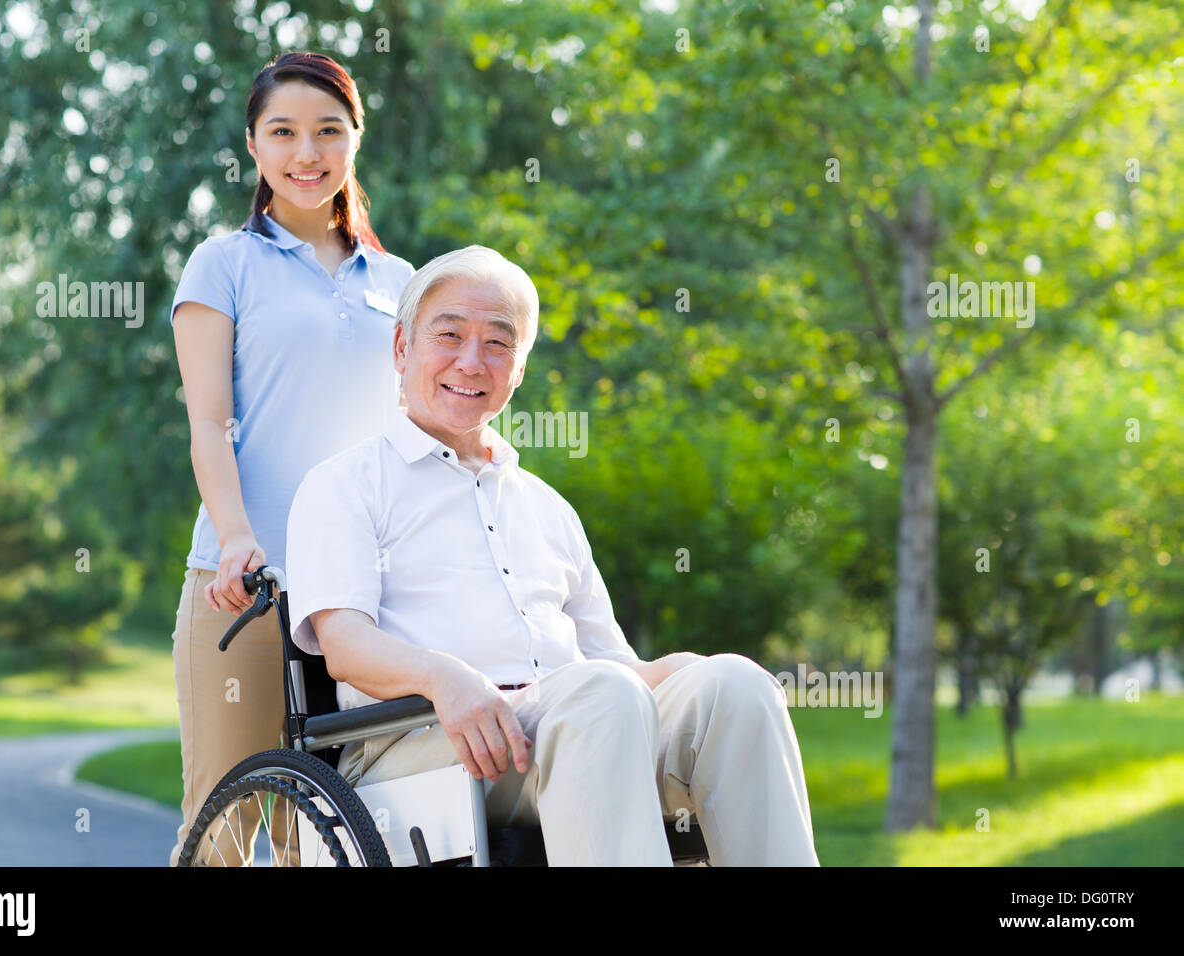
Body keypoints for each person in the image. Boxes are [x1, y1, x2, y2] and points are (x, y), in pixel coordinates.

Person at [285, 245, 821, 866]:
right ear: (402, 348)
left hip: (579, 722)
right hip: (419, 744)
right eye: (450, 334)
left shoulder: (546, 507)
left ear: (519, 369)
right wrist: (444, 677)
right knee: (599, 697)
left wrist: (672, 669)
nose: (470, 360)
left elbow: (615, 669)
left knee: (735, 684)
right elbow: (346, 646)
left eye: (498, 343)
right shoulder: (344, 483)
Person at [166, 52, 415, 866]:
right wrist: (238, 537)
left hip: (362, 596)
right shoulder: (223, 265)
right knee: (227, 830)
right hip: (244, 588)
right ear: (253, 146)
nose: (306, 154)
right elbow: (210, 424)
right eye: (283, 133)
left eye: (327, 132)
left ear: (355, 142)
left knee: (342, 834)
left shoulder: (401, 283)